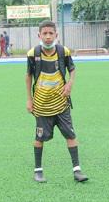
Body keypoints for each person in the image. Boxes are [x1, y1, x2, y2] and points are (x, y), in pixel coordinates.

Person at [26, 20, 88, 183]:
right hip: (42, 105)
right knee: (39, 138)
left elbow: (72, 69)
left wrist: (70, 83)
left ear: (56, 35)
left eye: (50, 33)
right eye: (44, 33)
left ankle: (77, 171)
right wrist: (29, 99)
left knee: (70, 134)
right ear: (39, 35)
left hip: (61, 104)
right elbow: (28, 76)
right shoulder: (33, 54)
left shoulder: (63, 51)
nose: (47, 37)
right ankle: (38, 171)